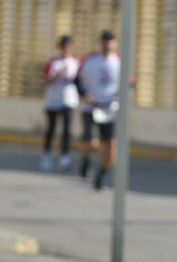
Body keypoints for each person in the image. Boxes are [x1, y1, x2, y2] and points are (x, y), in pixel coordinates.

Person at [77, 29, 121, 190]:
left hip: (110, 109)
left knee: (111, 151)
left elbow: (130, 83)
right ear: (101, 43)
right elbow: (77, 80)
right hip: (91, 107)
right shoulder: (90, 60)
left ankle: (100, 176)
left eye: (111, 41)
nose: (108, 44)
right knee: (92, 143)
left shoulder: (120, 62)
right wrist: (84, 94)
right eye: (105, 41)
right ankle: (86, 159)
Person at [41, 35, 80, 172]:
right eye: (64, 47)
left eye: (69, 47)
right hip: (53, 101)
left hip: (69, 100)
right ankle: (47, 155)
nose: (66, 50)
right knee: (51, 129)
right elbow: (46, 80)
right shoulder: (53, 62)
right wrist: (56, 76)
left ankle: (65, 156)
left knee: (66, 130)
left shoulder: (76, 63)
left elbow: (80, 81)